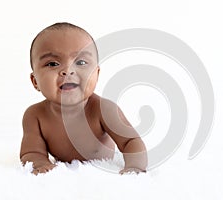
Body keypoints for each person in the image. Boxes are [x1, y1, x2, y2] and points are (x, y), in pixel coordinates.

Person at [20, 22, 147, 175]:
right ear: (35, 81)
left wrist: (134, 168)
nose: (68, 71)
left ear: (97, 74)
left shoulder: (104, 110)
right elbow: (31, 152)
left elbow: (131, 142)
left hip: (99, 173)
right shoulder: (35, 115)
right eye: (53, 63)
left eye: (81, 62)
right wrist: (41, 164)